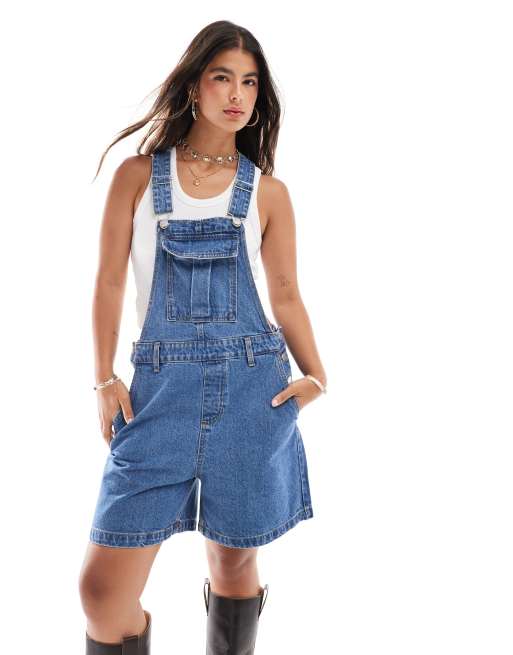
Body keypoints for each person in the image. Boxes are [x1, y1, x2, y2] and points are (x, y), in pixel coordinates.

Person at [78, 19, 328, 655]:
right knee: (102, 593)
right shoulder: (137, 177)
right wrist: (104, 378)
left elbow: (286, 295)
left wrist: (317, 376)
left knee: (234, 562)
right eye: (222, 77)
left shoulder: (268, 192)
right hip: (157, 398)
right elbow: (108, 282)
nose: (237, 94)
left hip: (251, 393)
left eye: (250, 82)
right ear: (194, 85)